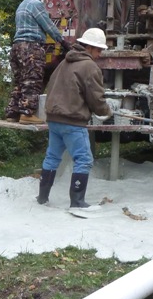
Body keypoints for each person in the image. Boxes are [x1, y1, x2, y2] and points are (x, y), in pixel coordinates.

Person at [37, 28, 113, 209]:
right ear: (90, 47)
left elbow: (52, 86)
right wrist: (106, 112)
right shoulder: (89, 67)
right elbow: (96, 99)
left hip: (54, 120)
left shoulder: (65, 62)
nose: (100, 54)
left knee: (52, 158)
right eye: (98, 50)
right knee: (84, 159)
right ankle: (77, 202)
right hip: (72, 121)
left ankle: (42, 198)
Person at [5, 0, 72, 125]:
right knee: (33, 81)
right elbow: (48, 26)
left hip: (17, 47)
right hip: (31, 47)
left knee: (20, 81)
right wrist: (64, 42)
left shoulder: (22, 5)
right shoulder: (35, 4)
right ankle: (27, 114)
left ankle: (13, 113)